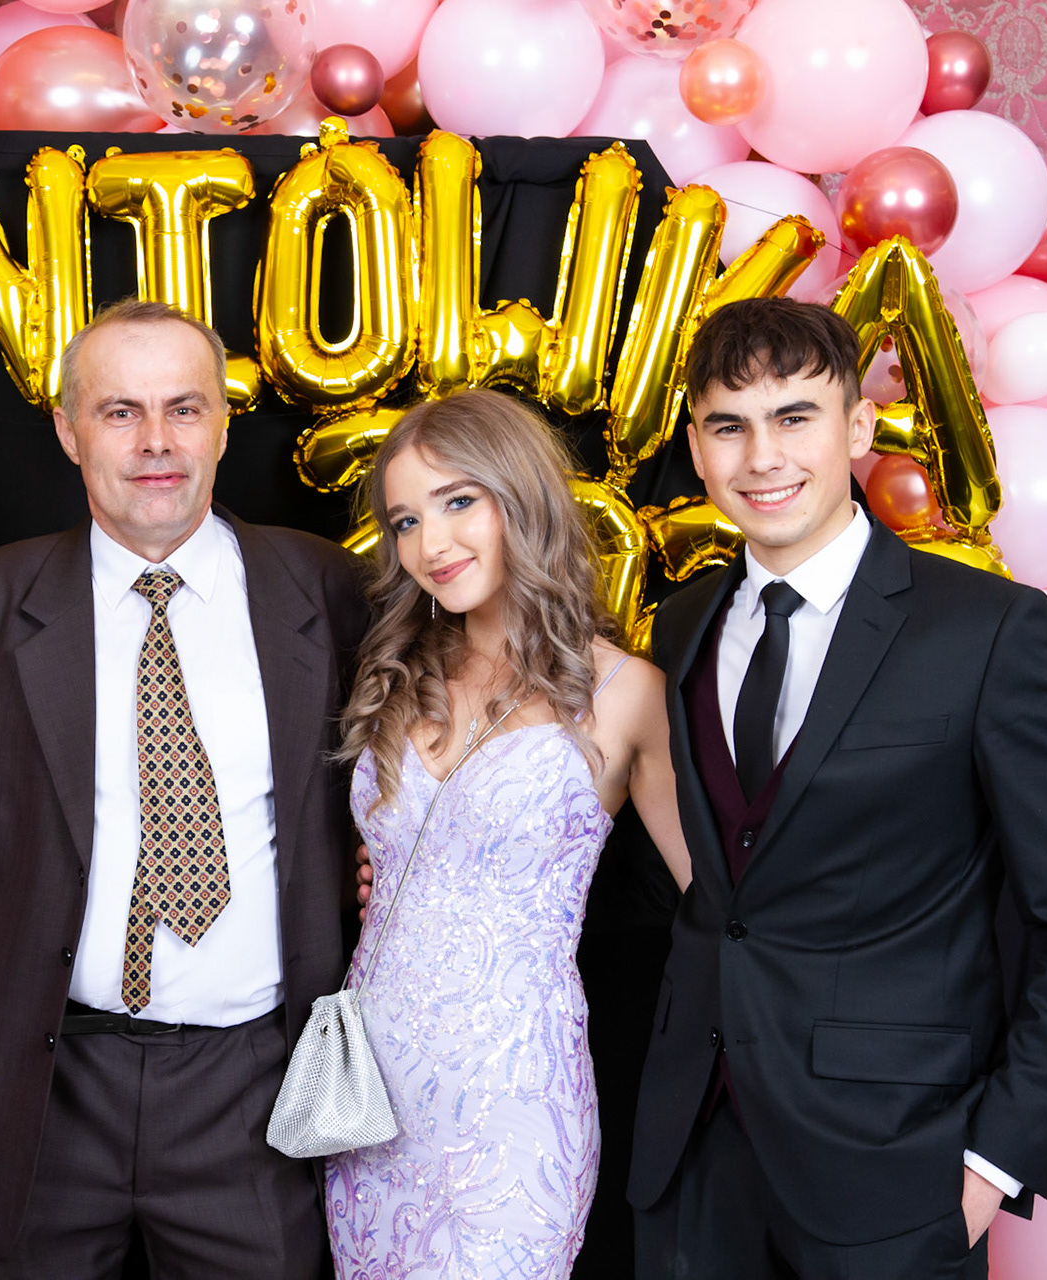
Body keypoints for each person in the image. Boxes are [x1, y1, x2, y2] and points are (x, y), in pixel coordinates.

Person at [628, 297, 1047, 1279]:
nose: (762, 457)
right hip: (693, 1159)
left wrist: (994, 1163)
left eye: (795, 417)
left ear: (858, 427)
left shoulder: (986, 631)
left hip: (898, 1172)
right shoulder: (684, 621)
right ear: (695, 447)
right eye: (729, 426)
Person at [0, 297, 370, 1278]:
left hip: (254, 1086)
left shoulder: (326, 589)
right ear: (67, 431)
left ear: (222, 424)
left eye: (184, 408)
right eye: (120, 411)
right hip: (43, 1085)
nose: (156, 440)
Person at [325, 390, 691, 1278]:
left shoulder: (627, 694)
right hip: (369, 1102)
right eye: (406, 521)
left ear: (520, 495)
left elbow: (723, 909)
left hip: (513, 1103)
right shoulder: (394, 672)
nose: (432, 543)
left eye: (459, 501)